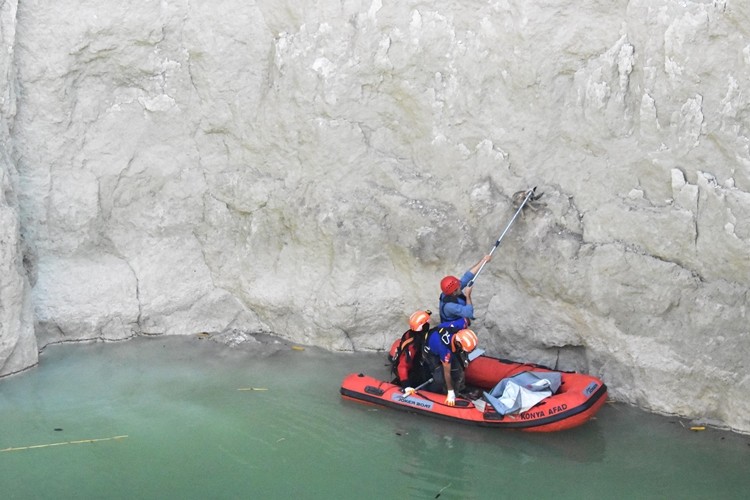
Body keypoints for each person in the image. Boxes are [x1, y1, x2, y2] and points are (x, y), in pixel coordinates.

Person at [406, 320, 478, 406]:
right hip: (431, 353)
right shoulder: (445, 350)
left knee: (460, 366)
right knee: (440, 378)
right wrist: (450, 391)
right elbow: (446, 373)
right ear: (458, 343)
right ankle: (428, 392)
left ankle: (461, 389)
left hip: (440, 337)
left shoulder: (459, 325)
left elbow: (465, 320)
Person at [438, 255, 492, 323]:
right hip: (452, 328)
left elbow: (467, 277)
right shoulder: (450, 306)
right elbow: (469, 313)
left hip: (457, 317)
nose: (460, 286)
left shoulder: (450, 291)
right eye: (458, 287)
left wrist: (483, 261)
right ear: (454, 292)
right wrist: (468, 295)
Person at [390, 310, 431, 388]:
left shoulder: (410, 333)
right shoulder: (413, 345)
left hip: (414, 366)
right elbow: (402, 366)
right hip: (412, 372)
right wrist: (406, 386)